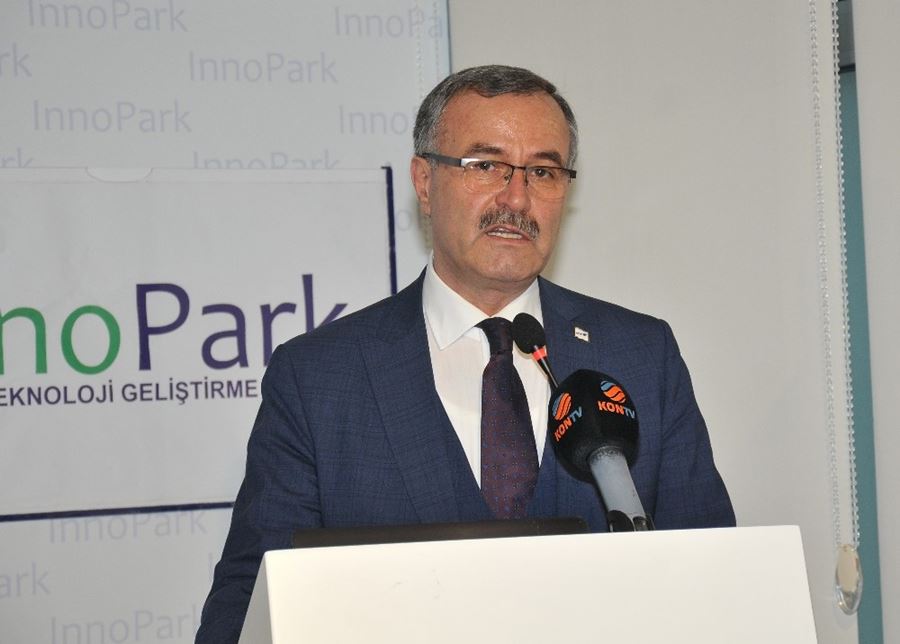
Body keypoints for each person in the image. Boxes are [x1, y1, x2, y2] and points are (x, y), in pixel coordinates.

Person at [195, 64, 734, 643]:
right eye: (486, 165)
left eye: (543, 171)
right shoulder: (318, 377)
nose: (517, 197)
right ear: (425, 182)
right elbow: (254, 599)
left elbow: (715, 578)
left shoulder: (642, 355)